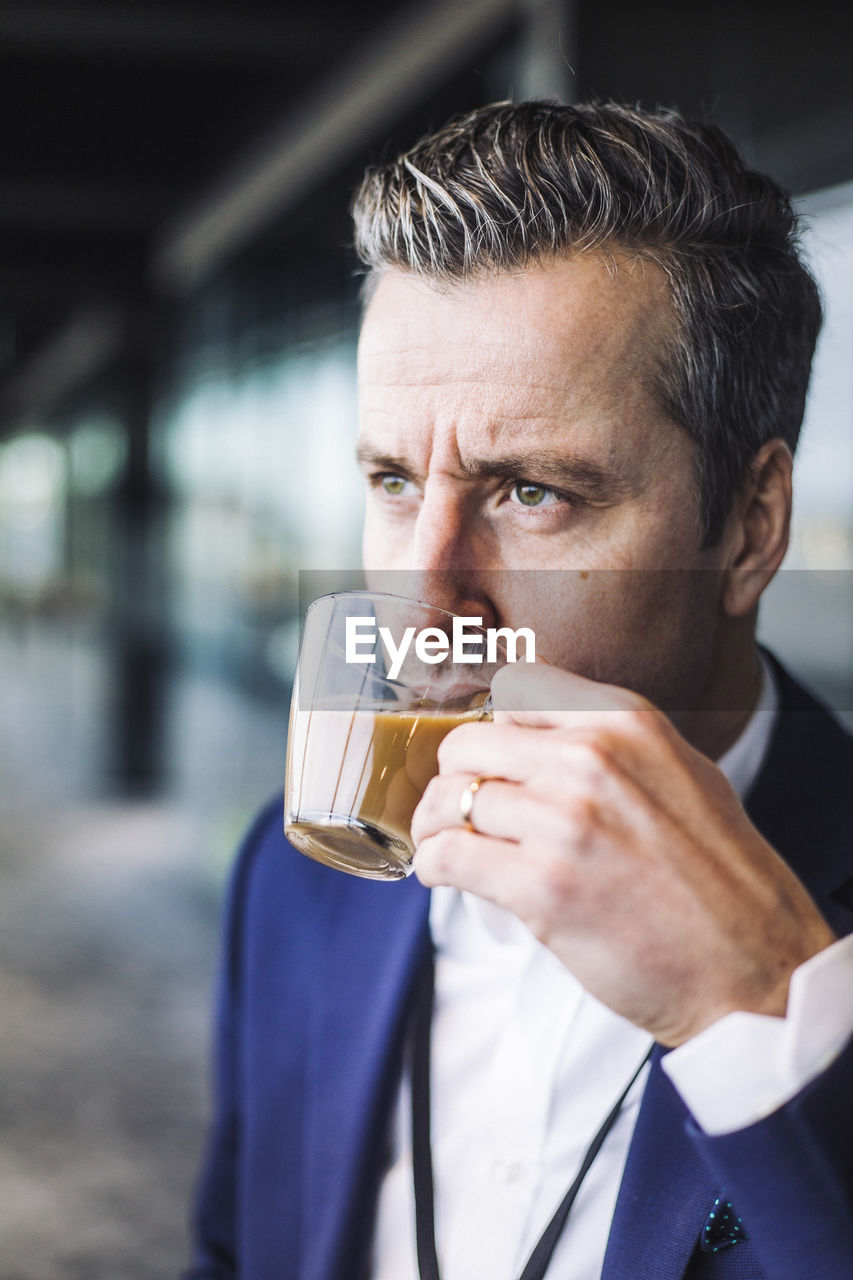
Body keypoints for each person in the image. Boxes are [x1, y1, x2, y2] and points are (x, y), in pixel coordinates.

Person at [183, 102, 853, 1280]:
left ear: (749, 527)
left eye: (533, 491)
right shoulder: (293, 874)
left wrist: (762, 1008)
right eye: (394, 479)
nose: (425, 593)